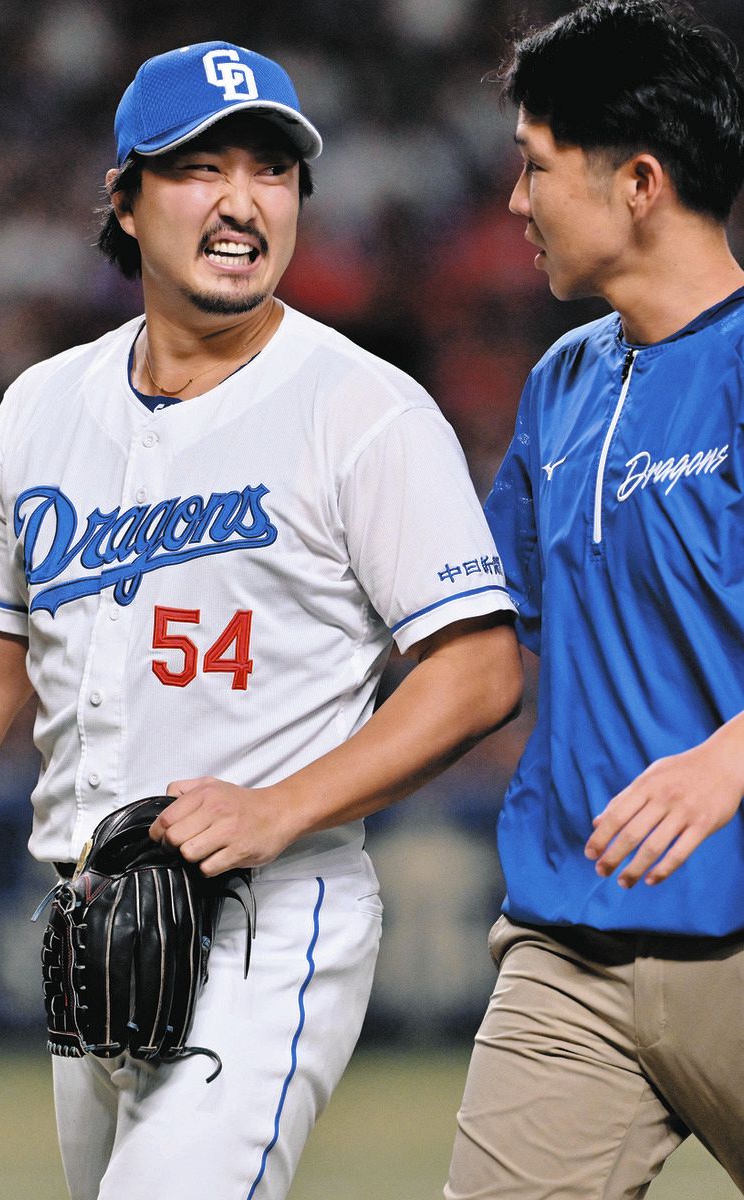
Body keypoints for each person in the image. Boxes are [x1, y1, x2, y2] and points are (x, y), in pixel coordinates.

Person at [0, 41, 522, 1200]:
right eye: (201, 168)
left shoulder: (362, 410)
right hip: (90, 924)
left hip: (270, 917)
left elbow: (480, 670)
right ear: (126, 200)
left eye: (272, 169)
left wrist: (281, 805)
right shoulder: (43, 406)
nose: (244, 201)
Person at [445, 3, 744, 1197]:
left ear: (640, 183)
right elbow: (475, 647)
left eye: (535, 165)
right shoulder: (563, 382)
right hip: (572, 947)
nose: (515, 201)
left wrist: (730, 757)